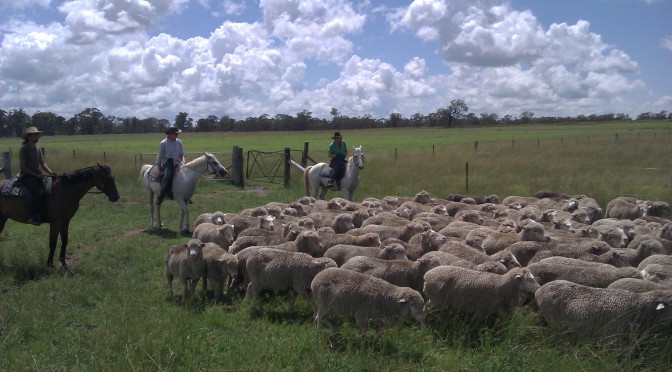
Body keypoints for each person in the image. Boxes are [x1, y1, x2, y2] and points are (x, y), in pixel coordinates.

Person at [19, 126, 55, 225]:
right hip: (27, 175)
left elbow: (42, 163)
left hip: (37, 174)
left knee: (51, 186)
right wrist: (35, 174)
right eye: (35, 135)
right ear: (29, 136)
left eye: (37, 135)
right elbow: (22, 167)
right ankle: (33, 216)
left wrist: (50, 172)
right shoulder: (24, 149)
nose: (37, 137)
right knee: (38, 191)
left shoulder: (37, 149)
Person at [156, 126, 185, 204]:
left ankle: (186, 194)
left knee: (185, 176)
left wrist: (183, 162)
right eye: (175, 134)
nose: (177, 135)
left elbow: (182, 155)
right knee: (167, 175)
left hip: (177, 163)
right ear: (169, 134)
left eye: (177, 134)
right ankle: (161, 195)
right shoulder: (163, 143)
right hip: (167, 163)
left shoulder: (179, 142)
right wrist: (159, 169)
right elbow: (160, 156)